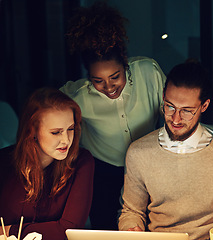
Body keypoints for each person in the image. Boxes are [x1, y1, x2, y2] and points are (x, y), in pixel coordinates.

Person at [118, 61, 213, 240]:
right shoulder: (139, 152)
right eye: (169, 106)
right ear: (163, 97)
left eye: (187, 111)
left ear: (204, 106)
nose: (176, 119)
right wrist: (132, 229)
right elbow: (131, 210)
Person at [60, 2, 166, 230]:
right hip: (103, 173)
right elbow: (45, 107)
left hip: (150, 166)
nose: (108, 87)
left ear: (125, 61)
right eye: (98, 80)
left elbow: (172, 112)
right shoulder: (78, 96)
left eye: (115, 76)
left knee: (152, 227)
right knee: (105, 230)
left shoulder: (148, 72)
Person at [0, 88, 94, 240]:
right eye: (56, 132)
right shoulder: (4, 161)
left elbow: (70, 229)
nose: (66, 140)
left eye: (70, 129)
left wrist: (9, 230)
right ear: (32, 131)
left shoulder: (82, 161)